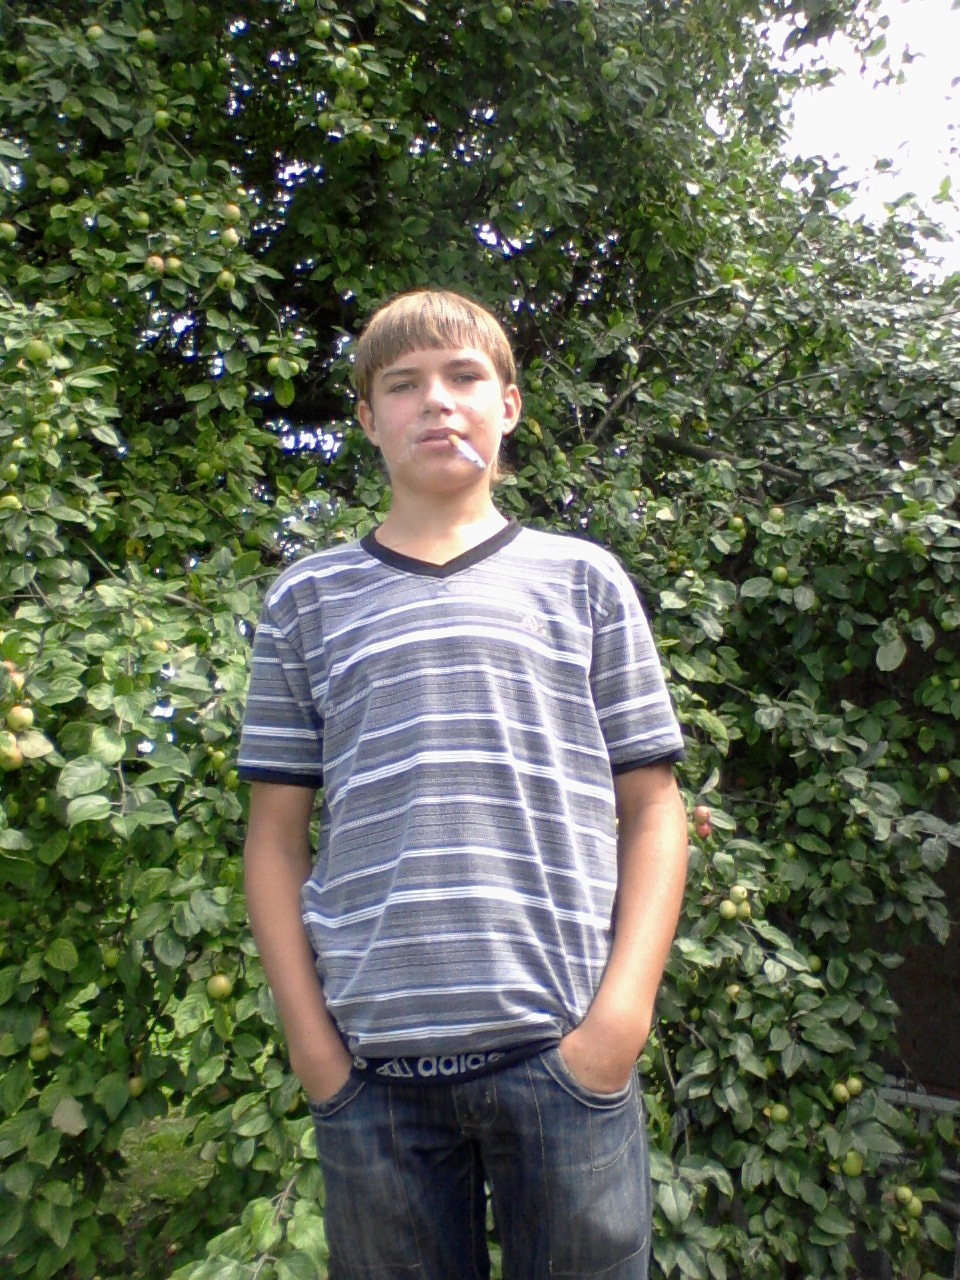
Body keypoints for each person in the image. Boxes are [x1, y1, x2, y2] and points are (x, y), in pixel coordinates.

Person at [238, 288, 688, 1279]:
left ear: (509, 405)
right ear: (368, 419)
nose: (436, 401)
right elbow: (273, 838)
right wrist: (317, 1053)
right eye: (403, 385)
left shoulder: (583, 581)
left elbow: (655, 811)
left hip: (562, 1058)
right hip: (374, 1078)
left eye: (463, 376)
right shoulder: (306, 601)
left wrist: (619, 1023)